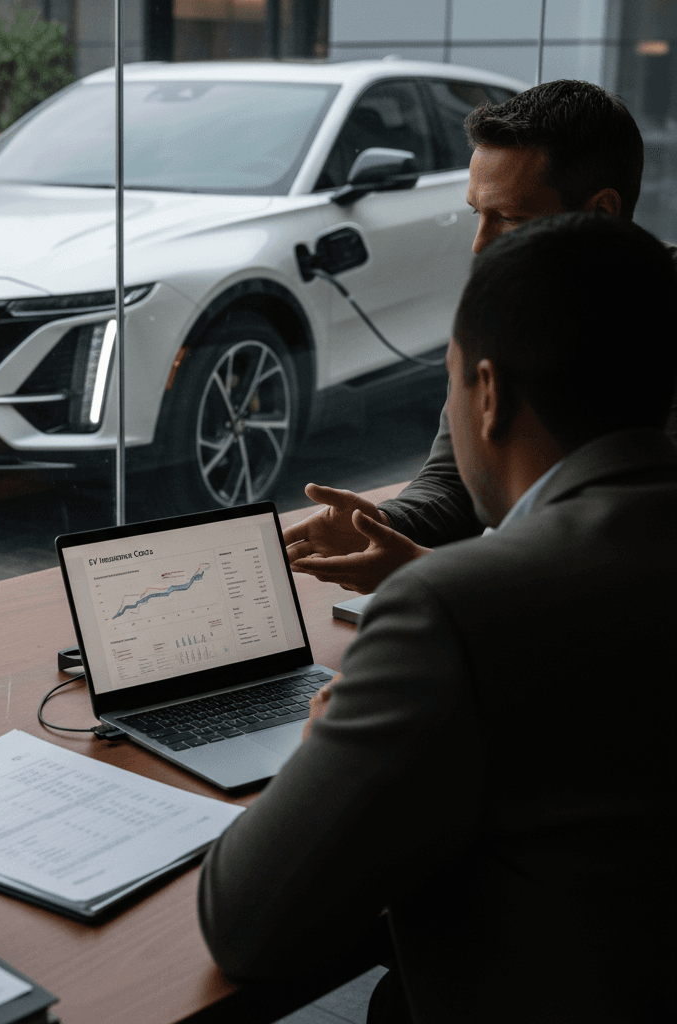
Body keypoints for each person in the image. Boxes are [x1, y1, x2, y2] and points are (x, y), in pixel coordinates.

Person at [198, 213, 677, 1022]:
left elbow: (244, 924)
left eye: (448, 379)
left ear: (487, 395)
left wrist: (324, 745)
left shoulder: (451, 613)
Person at [283, 79, 677, 595]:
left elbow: (640, 568)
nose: (480, 246)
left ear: (600, 211)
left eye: (510, 219)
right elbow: (454, 482)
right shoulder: (504, 313)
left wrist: (436, 584)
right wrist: (384, 526)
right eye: (477, 214)